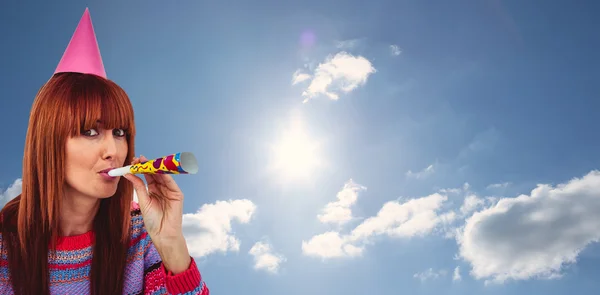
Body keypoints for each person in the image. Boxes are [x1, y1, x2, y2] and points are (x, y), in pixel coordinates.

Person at [0, 8, 209, 295]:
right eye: (90, 131)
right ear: (48, 141)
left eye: (120, 133)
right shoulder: (5, 247)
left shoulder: (140, 233)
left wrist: (172, 243)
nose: (113, 150)